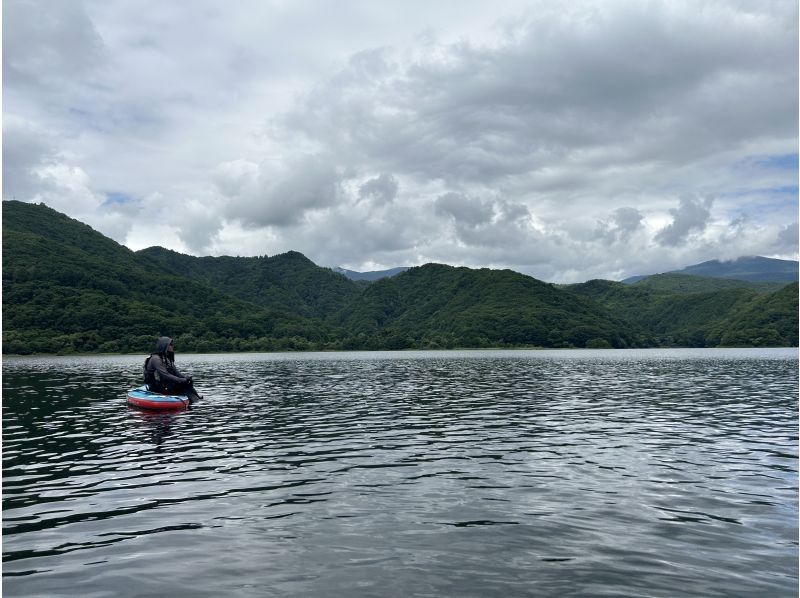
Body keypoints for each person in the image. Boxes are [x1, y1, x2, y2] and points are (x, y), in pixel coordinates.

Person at [144, 336, 202, 402]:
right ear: (164, 346)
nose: (172, 346)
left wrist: (186, 379)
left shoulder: (167, 359)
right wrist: (181, 380)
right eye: (170, 345)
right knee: (182, 385)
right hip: (156, 387)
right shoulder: (156, 359)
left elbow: (176, 373)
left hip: (165, 384)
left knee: (187, 384)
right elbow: (165, 375)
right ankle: (192, 400)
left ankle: (197, 399)